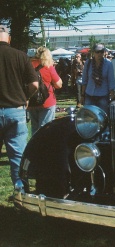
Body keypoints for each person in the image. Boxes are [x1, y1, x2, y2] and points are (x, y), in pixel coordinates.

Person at [0, 24, 38, 186]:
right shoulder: (21, 56)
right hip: (16, 111)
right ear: (9, 38)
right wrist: (25, 97)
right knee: (17, 156)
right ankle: (21, 192)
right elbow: (35, 84)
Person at [29, 47, 63, 134]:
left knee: (34, 129)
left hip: (32, 101)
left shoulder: (29, 65)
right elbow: (59, 85)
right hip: (47, 101)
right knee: (45, 130)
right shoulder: (48, 67)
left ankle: (35, 147)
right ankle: (44, 147)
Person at [81, 43, 115, 113]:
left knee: (103, 118)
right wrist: (82, 95)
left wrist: (112, 97)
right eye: (97, 52)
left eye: (102, 52)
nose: (99, 54)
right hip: (89, 95)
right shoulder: (88, 63)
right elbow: (84, 80)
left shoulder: (108, 64)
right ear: (93, 52)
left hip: (103, 96)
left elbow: (111, 81)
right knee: (89, 117)